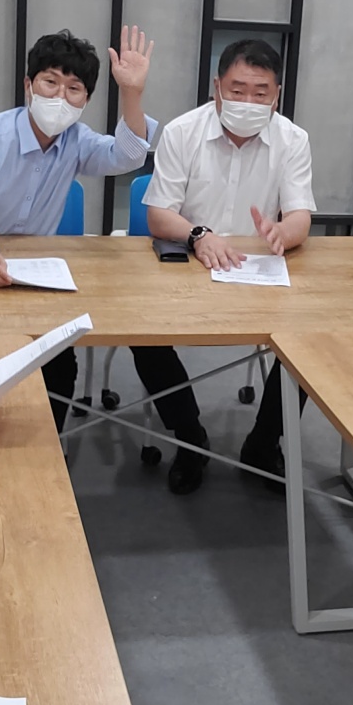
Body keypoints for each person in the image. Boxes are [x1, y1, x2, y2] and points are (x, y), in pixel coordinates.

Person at [0, 27, 157, 433]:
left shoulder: (77, 140)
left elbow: (128, 156)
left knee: (60, 367)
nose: (60, 97)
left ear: (86, 100)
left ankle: (50, 446)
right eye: (50, 82)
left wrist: (132, 92)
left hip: (35, 278)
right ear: (29, 85)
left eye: (74, 89)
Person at [143, 38, 316, 494]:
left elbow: (300, 216)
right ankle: (189, 438)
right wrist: (199, 235)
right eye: (237, 90)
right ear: (216, 87)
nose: (248, 102)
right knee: (143, 337)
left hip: (259, 272)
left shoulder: (293, 139)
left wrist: (284, 232)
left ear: (277, 95)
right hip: (189, 265)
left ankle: (263, 443)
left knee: (310, 338)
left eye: (261, 93)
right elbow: (158, 215)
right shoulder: (182, 132)